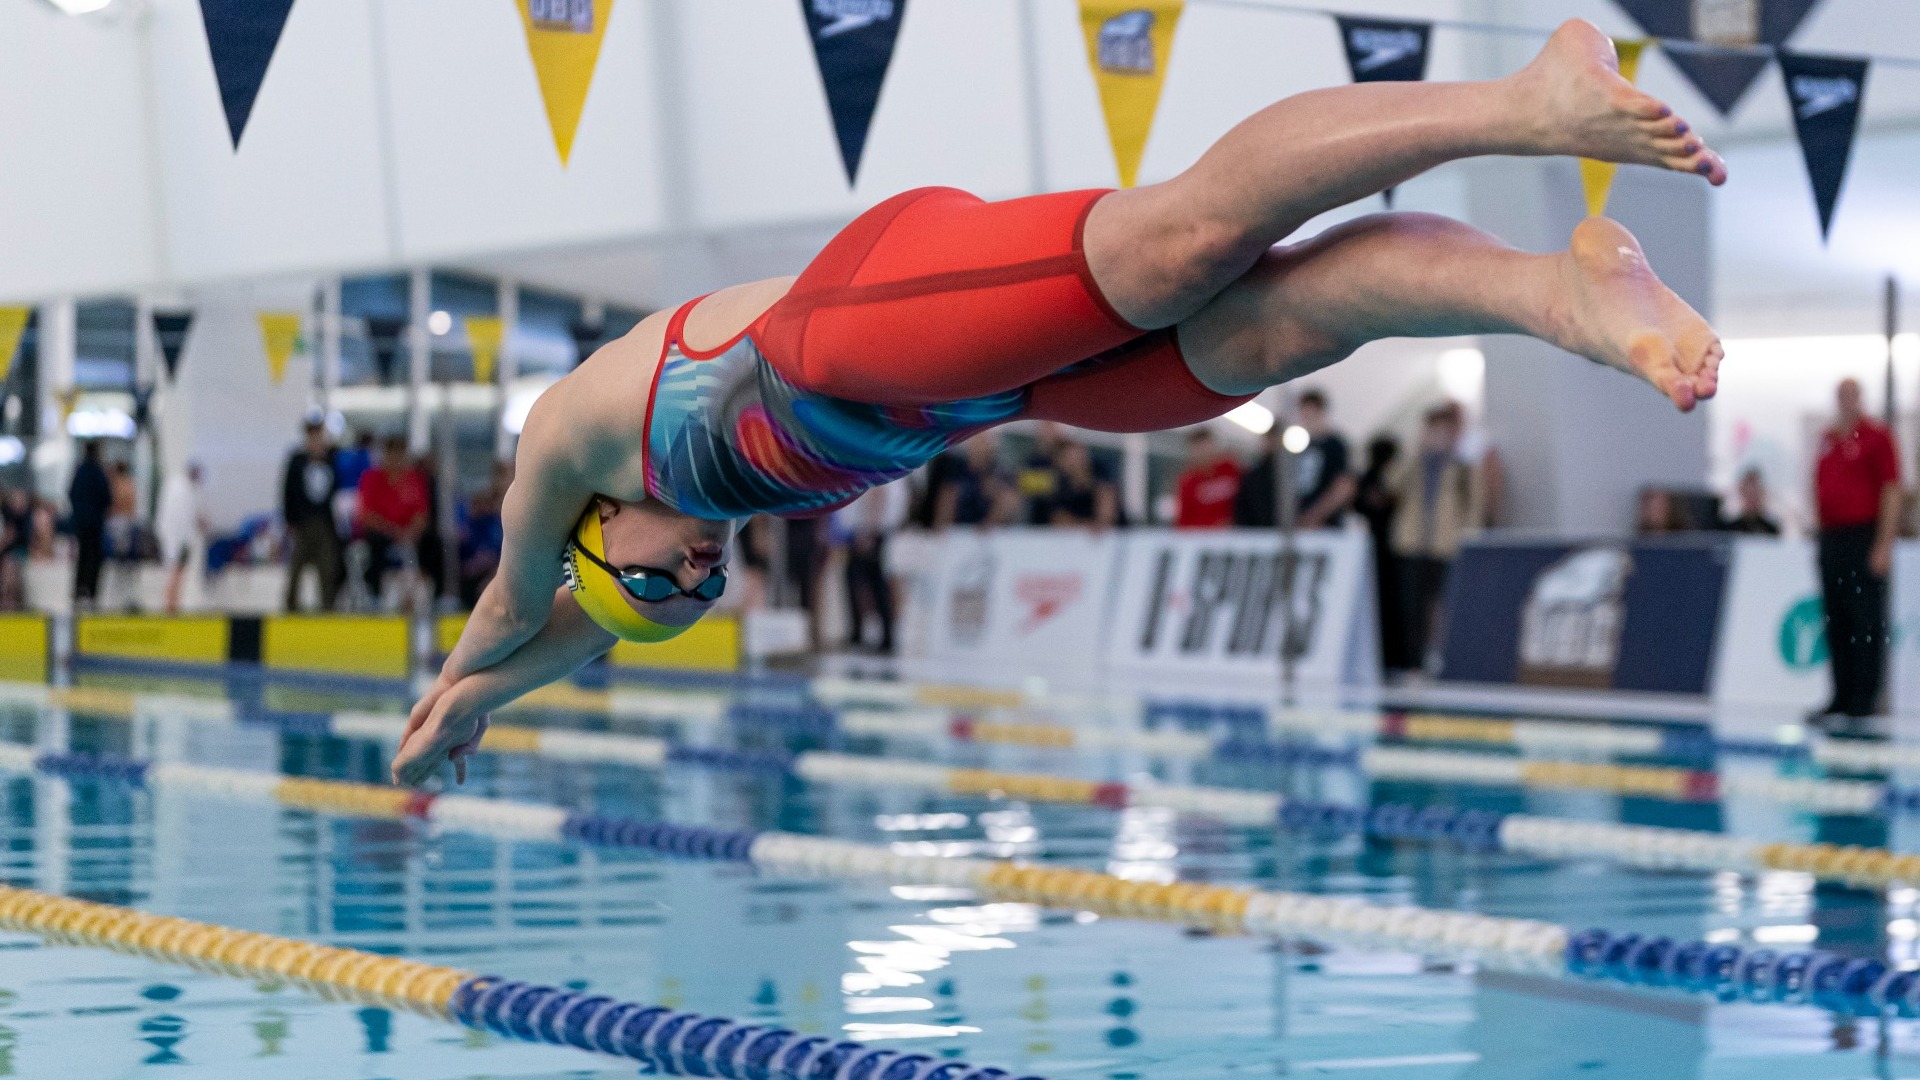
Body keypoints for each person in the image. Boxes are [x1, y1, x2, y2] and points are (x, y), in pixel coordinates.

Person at [392, 21, 1727, 785]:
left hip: (859, 323)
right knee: (1279, 325)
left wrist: (454, 692)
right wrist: (507, 702)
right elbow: (584, 637)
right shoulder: (672, 531)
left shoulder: (573, 437)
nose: (694, 575)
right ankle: (1561, 292)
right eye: (701, 593)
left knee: (1186, 240)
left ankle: (1521, 102)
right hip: (984, 389)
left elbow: (526, 610)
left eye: (652, 583)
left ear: (592, 538)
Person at [1812, 377, 1901, 723]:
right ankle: (1841, 695)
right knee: (1836, 617)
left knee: (1865, 618)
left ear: (1860, 398)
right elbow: (1818, 485)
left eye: (1852, 395)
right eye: (1841, 396)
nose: (1846, 402)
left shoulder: (1878, 437)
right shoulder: (1828, 439)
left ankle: (1865, 698)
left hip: (1863, 537)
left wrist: (1883, 544)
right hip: (1832, 538)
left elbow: (1892, 491)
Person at [1386, 404, 1481, 672]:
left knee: (1443, 605)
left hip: (1446, 546)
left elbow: (1474, 508)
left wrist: (1468, 542)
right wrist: (1416, 452)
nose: (1437, 436)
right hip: (1412, 544)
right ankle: (1414, 661)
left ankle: (1441, 656)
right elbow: (1391, 484)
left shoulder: (1462, 467)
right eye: (1432, 430)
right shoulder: (1415, 463)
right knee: (1412, 606)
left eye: (1442, 430)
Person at [835, 477, 910, 654]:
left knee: (874, 584)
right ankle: (868, 634)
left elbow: (877, 494)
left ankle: (879, 635)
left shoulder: (876, 468)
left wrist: (869, 530)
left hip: (870, 534)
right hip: (868, 532)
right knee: (863, 582)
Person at [357, 435, 430, 610]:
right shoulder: (371, 478)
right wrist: (391, 531)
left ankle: (435, 594)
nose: (396, 459)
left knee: (434, 544)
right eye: (392, 454)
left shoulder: (414, 480)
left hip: (407, 533)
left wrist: (410, 533)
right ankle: (375, 595)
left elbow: (421, 515)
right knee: (376, 545)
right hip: (382, 532)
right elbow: (367, 515)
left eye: (400, 454)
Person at [1353, 436, 1404, 666]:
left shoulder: (1376, 480)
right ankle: (1388, 656)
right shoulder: (1379, 480)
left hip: (1379, 550)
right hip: (1384, 551)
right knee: (1386, 605)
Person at [283, 420, 343, 611]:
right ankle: (291, 607)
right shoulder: (298, 461)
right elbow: (288, 491)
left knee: (327, 567)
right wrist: (290, 520)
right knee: (296, 567)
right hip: (303, 522)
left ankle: (327, 607)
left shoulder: (331, 460)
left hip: (324, 523)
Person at [156, 461, 209, 614]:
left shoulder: (176, 486)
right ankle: (171, 607)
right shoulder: (183, 489)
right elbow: (190, 517)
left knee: (175, 574)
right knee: (175, 574)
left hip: (175, 538)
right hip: (177, 539)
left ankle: (172, 605)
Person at [931, 433, 1014, 529]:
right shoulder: (956, 470)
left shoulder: (998, 474)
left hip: (982, 531)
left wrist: (988, 524)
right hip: (958, 530)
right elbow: (947, 499)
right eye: (977, 442)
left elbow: (1009, 499)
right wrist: (941, 527)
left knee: (1007, 497)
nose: (980, 447)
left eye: (984, 443)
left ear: (991, 448)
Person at [68, 440, 111, 610]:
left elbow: (71, 493)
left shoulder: (80, 471)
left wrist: (80, 513)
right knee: (94, 558)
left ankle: (79, 589)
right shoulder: (98, 472)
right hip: (95, 524)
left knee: (82, 556)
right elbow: (106, 497)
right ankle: (92, 592)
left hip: (82, 523)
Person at [1174, 428, 1240, 528]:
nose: (1204, 453)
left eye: (1207, 447)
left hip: (1238, 533)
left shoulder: (1230, 468)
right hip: (1205, 538)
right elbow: (1184, 521)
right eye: (1199, 449)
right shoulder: (1188, 481)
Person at [1050, 441, 1119, 528]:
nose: (1073, 463)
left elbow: (1107, 514)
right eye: (1067, 458)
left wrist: (1096, 525)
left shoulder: (1101, 472)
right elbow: (1059, 519)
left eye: (1075, 457)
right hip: (1079, 537)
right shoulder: (1060, 486)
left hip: (1120, 536)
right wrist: (1087, 526)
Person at [1722, 468, 1780, 535]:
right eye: (1749, 492)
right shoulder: (1728, 529)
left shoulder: (1771, 530)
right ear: (1742, 493)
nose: (1752, 498)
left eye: (1755, 492)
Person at [0, 485, 29, 611]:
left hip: (8, 553)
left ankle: (9, 607)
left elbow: (11, 534)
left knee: (10, 571)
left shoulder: (7, 514)